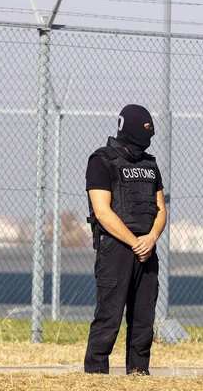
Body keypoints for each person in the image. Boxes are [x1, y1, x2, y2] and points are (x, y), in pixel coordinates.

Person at [84, 104, 167, 375]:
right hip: (116, 250)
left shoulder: (150, 164)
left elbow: (161, 209)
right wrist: (135, 242)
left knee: (144, 320)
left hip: (147, 250)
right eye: (145, 131)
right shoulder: (101, 161)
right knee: (109, 318)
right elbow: (102, 212)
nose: (149, 137)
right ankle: (96, 376)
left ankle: (139, 374)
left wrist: (151, 238)